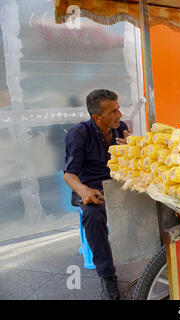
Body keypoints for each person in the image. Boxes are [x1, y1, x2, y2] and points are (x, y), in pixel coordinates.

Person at [63, 89, 130, 300]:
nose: (119, 115)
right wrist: (83, 191)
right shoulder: (79, 134)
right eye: (113, 111)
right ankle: (107, 275)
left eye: (118, 108)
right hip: (90, 187)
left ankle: (158, 261)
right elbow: (69, 175)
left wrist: (133, 147)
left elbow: (129, 160)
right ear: (96, 117)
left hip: (117, 183)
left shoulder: (122, 129)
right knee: (93, 214)